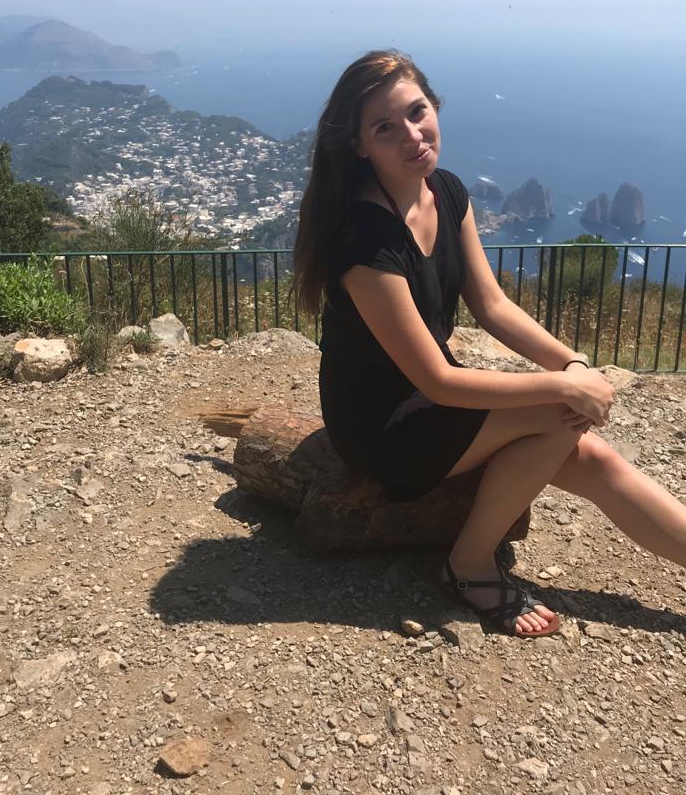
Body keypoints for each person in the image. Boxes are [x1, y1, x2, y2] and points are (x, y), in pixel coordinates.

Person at [294, 49, 686, 638]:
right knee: (559, 412)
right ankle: (469, 565)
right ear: (360, 147)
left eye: (417, 112)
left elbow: (493, 305)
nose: (412, 135)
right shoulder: (365, 242)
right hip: (383, 425)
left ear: (435, 106)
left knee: (596, 458)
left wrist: (572, 362)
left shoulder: (446, 191)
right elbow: (437, 380)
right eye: (385, 128)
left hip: (436, 397)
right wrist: (564, 387)